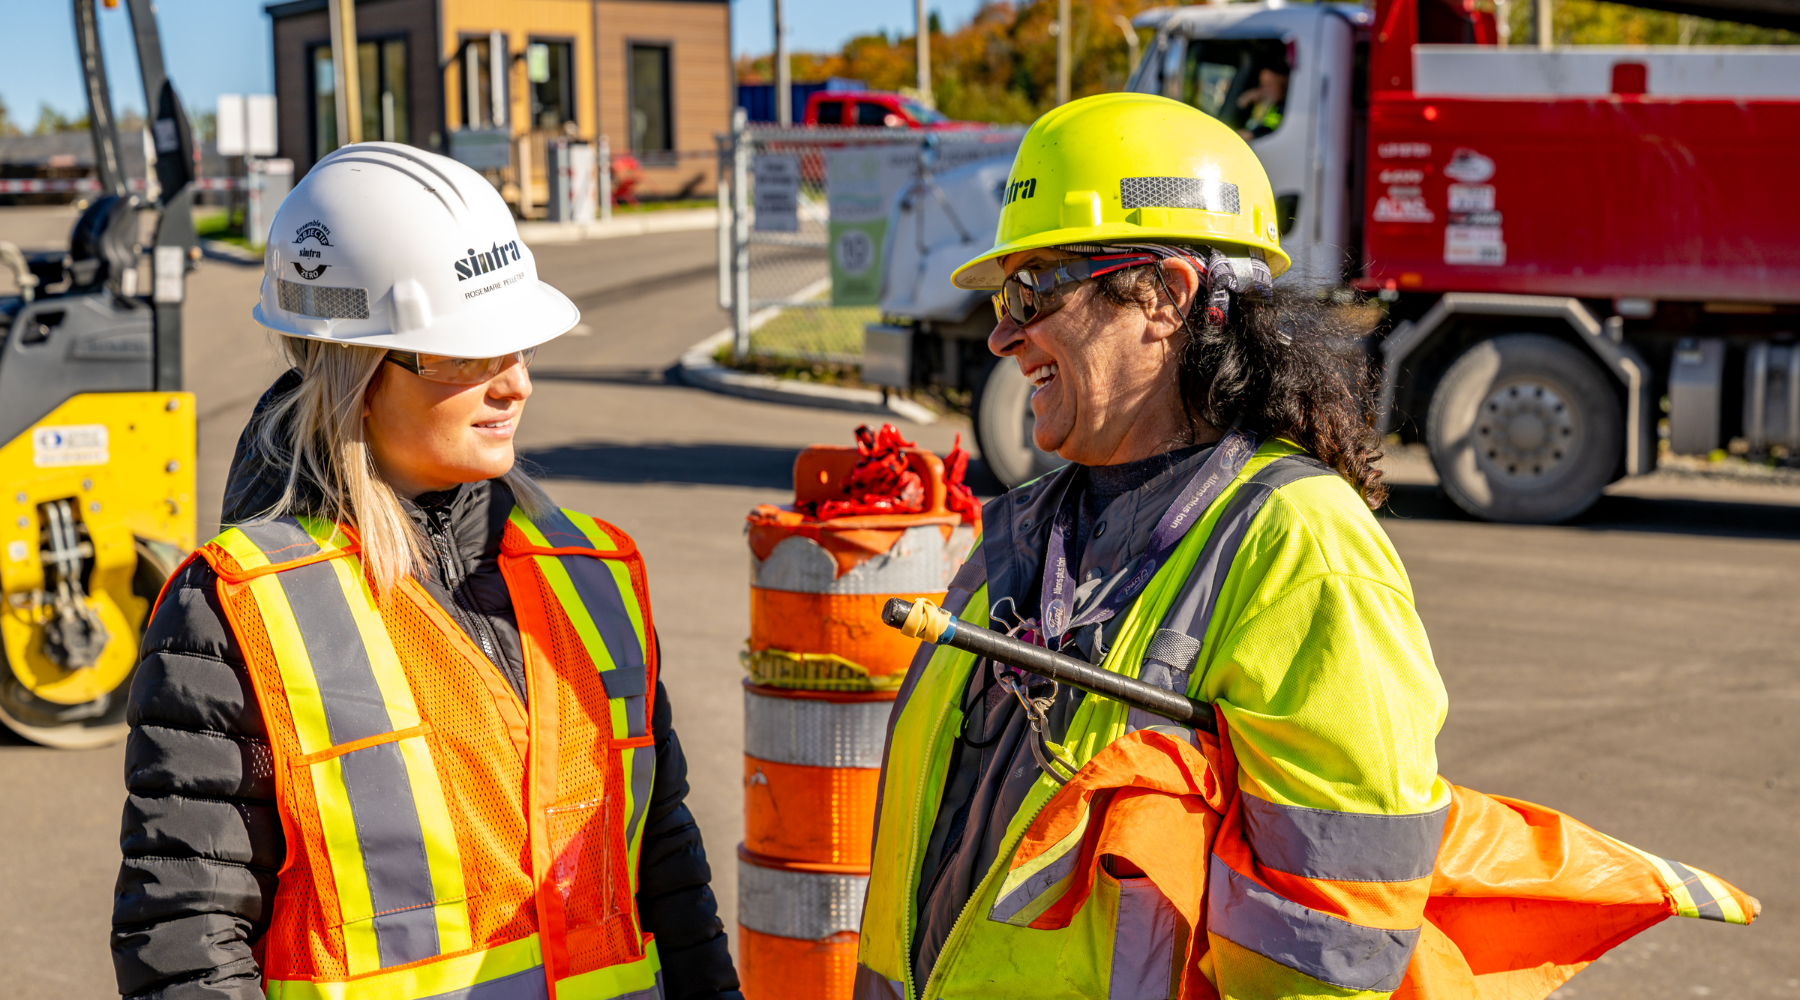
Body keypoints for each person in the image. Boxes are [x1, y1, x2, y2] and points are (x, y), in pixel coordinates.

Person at [855, 93, 1758, 1000]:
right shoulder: (1025, 526)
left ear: (1166, 296)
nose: (1005, 332)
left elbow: (1334, 944)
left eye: (1034, 289)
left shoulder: (1301, 548)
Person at [111, 144, 741, 1000]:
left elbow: (662, 857)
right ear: (353, 370)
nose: (514, 382)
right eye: (466, 354)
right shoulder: (232, 612)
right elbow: (186, 946)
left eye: (515, 344)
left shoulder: (595, 573)